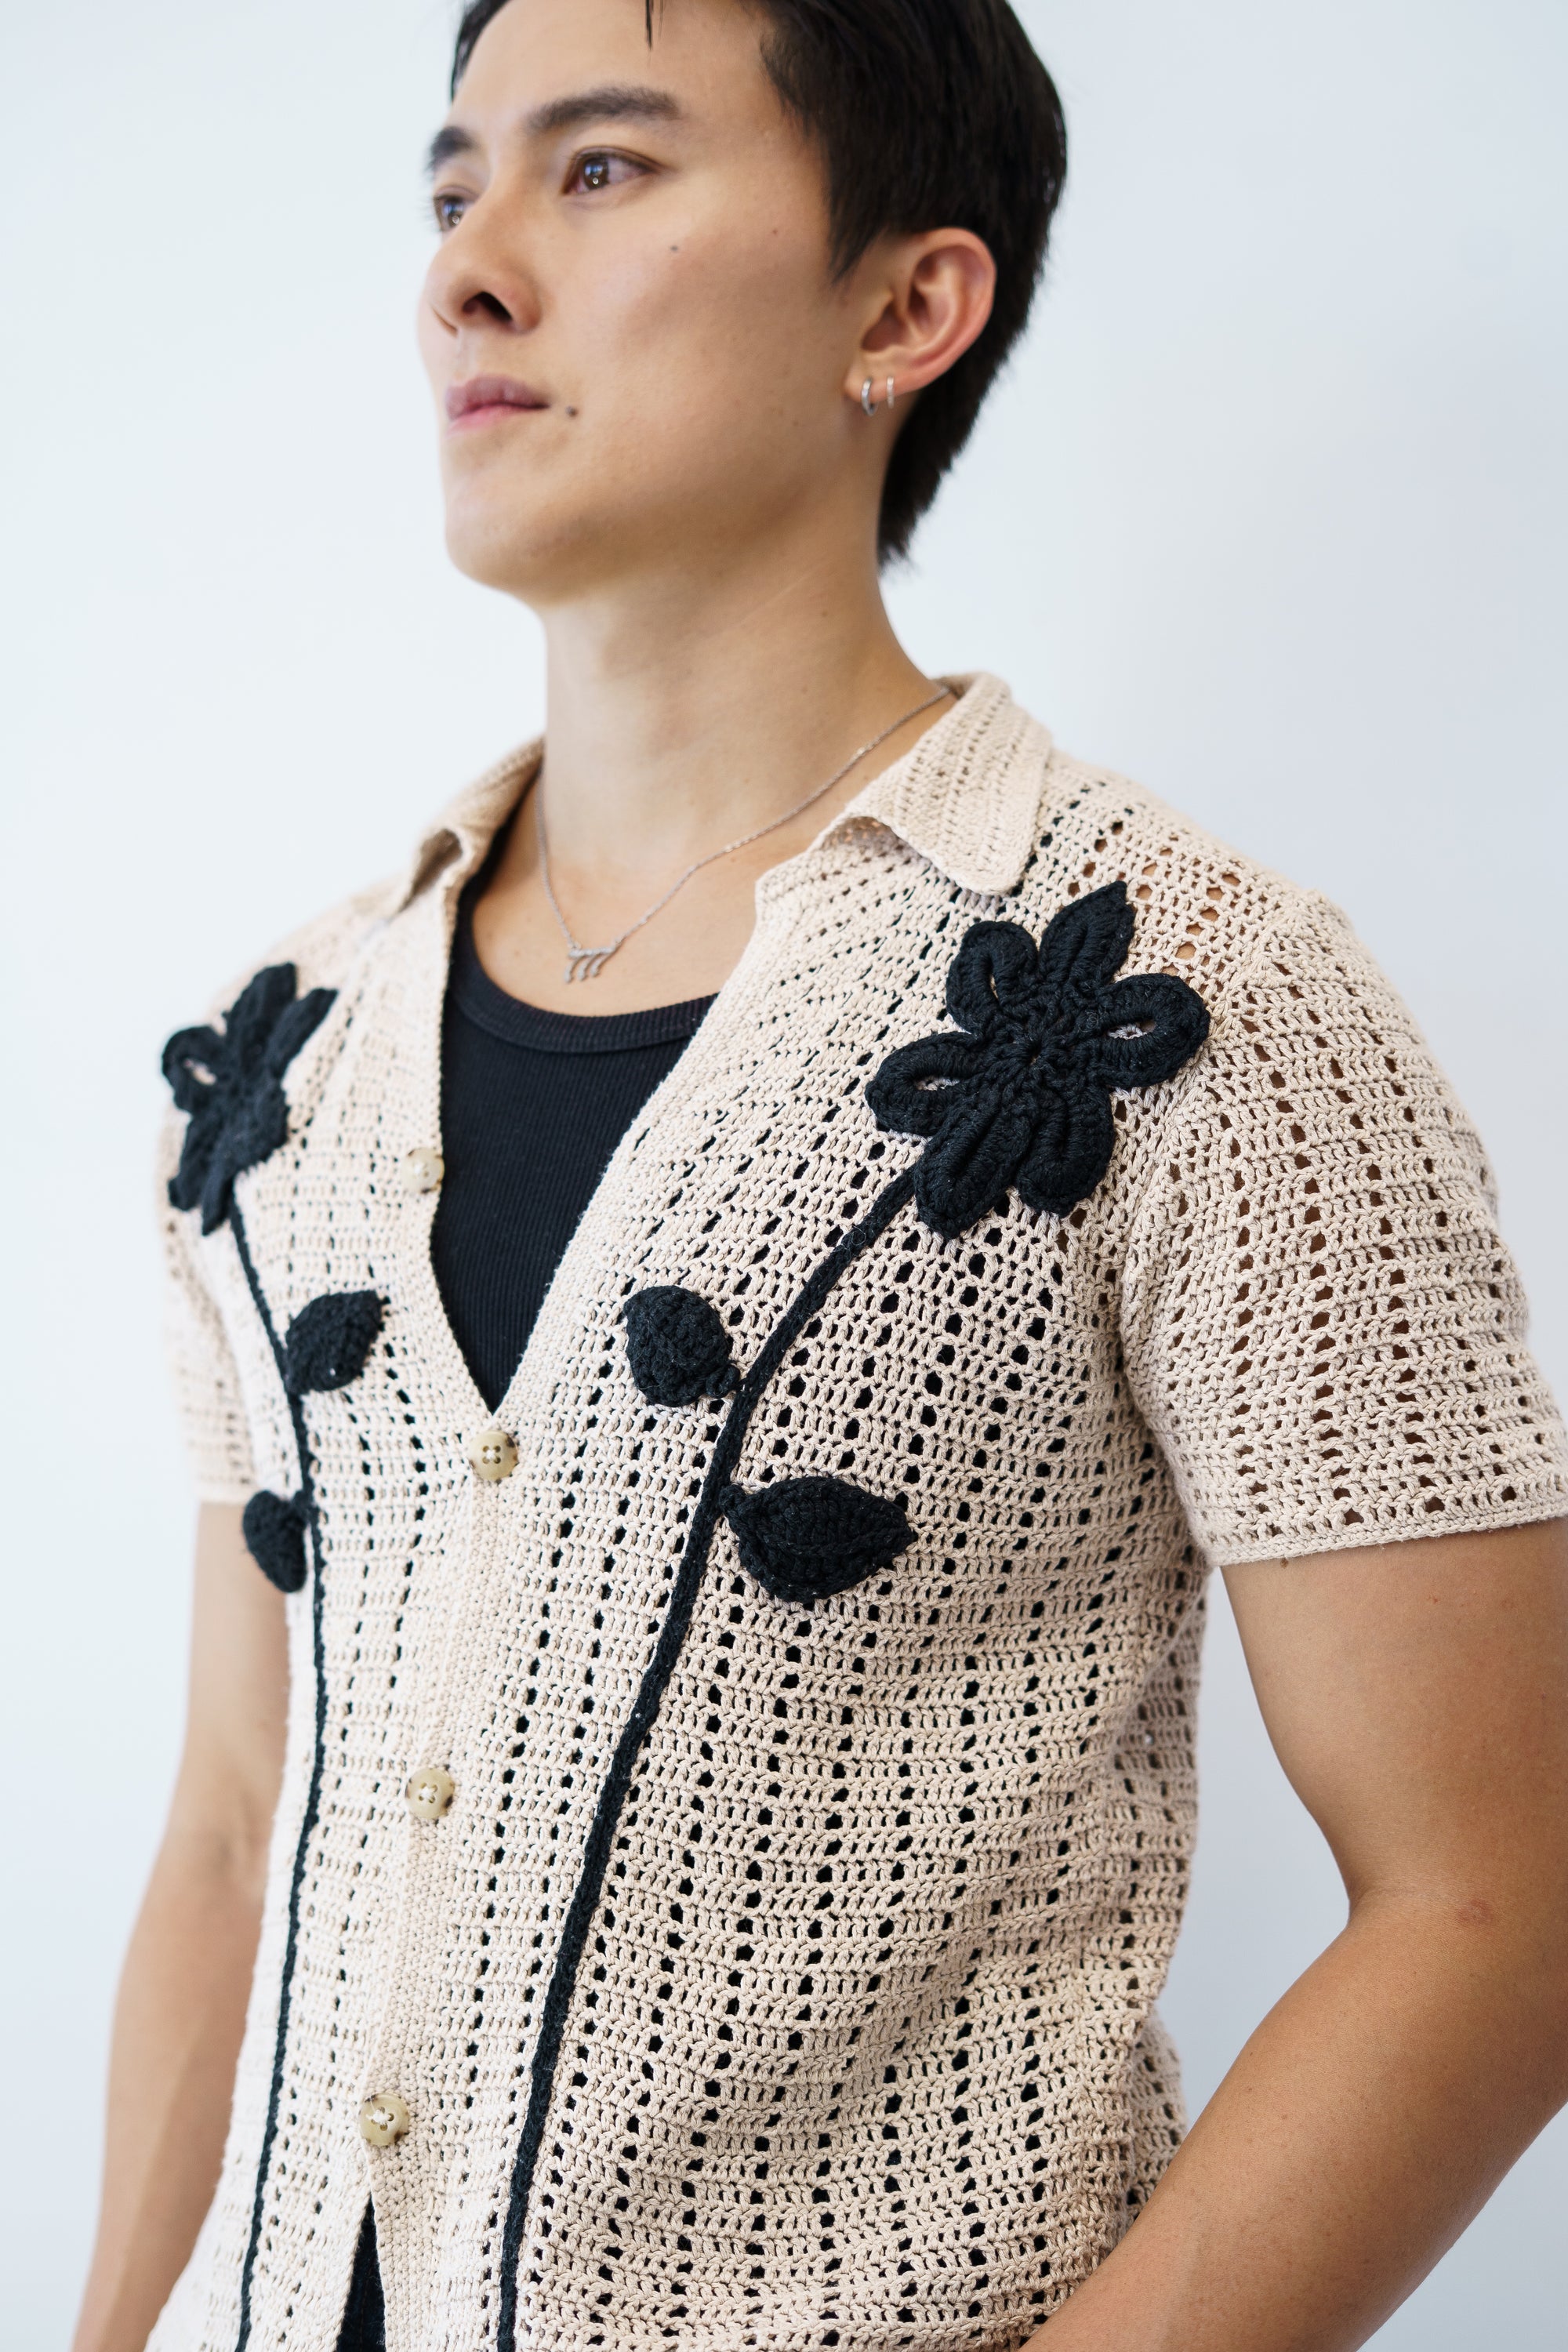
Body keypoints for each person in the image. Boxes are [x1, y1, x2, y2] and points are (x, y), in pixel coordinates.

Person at [72, 2, 1568, 2349]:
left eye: (600, 169)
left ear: (907, 305)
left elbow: (1503, 1897)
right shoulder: (282, 1057)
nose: (464, 268)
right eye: (449, 184)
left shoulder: (1184, 1001)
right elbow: (233, 1823)